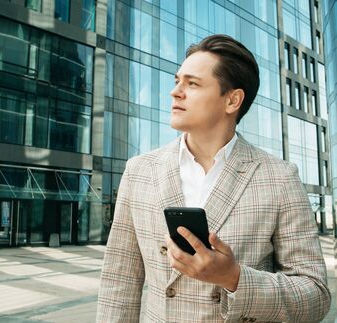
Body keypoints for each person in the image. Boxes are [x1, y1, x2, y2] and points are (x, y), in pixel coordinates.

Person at [96, 34, 331, 322]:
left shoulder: (279, 177)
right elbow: (119, 283)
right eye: (177, 81)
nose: (176, 92)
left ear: (232, 100)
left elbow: (316, 295)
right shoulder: (140, 171)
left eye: (192, 84)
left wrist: (233, 277)